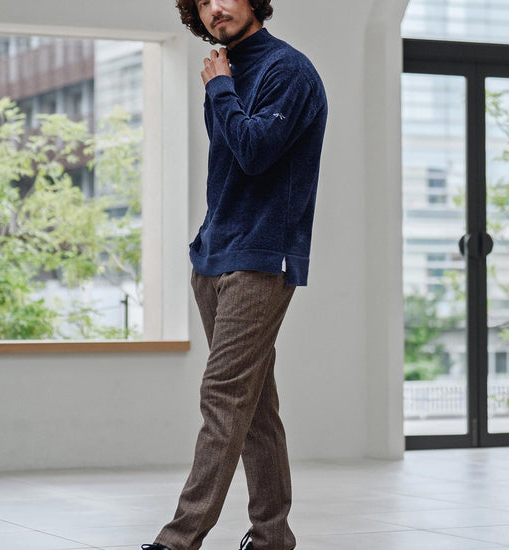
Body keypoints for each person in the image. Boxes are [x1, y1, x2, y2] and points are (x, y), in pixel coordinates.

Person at [142, 1, 327, 549]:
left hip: (261, 258)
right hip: (214, 256)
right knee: (254, 408)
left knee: (222, 395)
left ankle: (178, 539)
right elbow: (228, 164)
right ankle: (272, 537)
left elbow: (253, 152)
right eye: (202, 2)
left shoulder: (287, 70)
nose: (215, 8)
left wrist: (220, 87)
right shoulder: (225, 69)